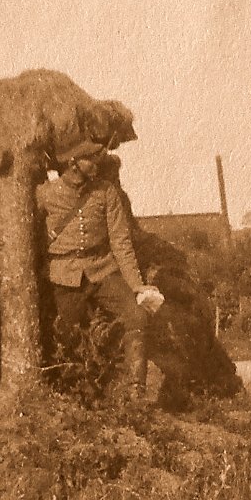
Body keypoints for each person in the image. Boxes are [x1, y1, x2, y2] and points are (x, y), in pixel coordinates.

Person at [35, 139, 161, 400]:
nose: (96, 165)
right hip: (64, 274)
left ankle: (136, 391)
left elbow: (120, 241)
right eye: (90, 160)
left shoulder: (106, 192)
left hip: (102, 269)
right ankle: (74, 394)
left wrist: (136, 285)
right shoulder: (46, 194)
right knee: (66, 334)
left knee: (137, 316)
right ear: (73, 163)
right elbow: (24, 232)